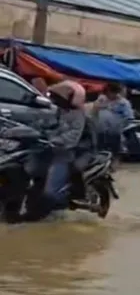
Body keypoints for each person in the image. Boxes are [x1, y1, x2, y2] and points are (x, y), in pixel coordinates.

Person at [23, 80, 89, 222]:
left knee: (50, 191)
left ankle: (41, 216)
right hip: (49, 151)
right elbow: (51, 125)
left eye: (58, 97)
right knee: (33, 174)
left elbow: (73, 135)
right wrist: (39, 129)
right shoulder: (60, 111)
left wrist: (56, 140)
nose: (55, 99)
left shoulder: (79, 115)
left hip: (64, 155)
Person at [92, 82, 134, 156]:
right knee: (100, 149)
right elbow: (94, 111)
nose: (109, 95)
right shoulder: (102, 99)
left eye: (111, 92)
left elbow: (129, 118)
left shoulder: (123, 103)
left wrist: (119, 126)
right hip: (100, 130)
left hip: (115, 131)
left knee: (114, 151)